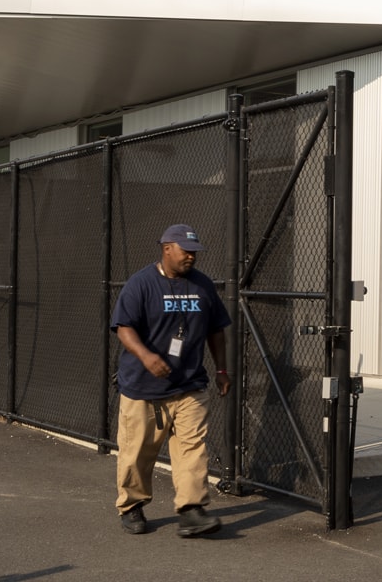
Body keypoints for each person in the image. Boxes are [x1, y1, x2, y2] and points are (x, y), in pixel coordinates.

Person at [112, 223, 232, 538]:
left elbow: (216, 329)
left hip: (189, 385)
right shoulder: (141, 284)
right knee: (137, 452)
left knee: (193, 448)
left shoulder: (202, 285)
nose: (191, 257)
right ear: (167, 249)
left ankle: (191, 510)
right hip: (143, 387)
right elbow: (124, 327)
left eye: (194, 252)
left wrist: (221, 369)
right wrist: (146, 356)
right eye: (185, 251)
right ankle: (132, 506)